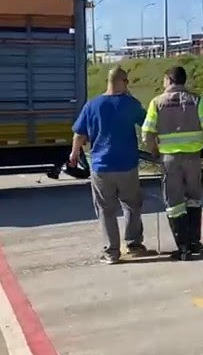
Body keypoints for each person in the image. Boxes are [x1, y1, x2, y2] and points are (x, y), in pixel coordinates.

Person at [142, 65, 203, 261]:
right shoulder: (197, 100)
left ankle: (183, 246)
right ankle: (195, 241)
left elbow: (146, 134)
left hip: (170, 160)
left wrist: (154, 149)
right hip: (193, 159)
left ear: (169, 80)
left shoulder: (157, 103)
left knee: (174, 203)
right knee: (194, 198)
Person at [70, 66, 151, 265]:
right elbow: (149, 125)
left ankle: (112, 252)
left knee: (105, 209)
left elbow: (79, 134)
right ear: (123, 82)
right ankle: (134, 245)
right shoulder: (130, 104)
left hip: (100, 166)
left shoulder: (92, 105)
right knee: (131, 204)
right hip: (127, 165)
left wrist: (74, 153)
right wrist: (155, 147)